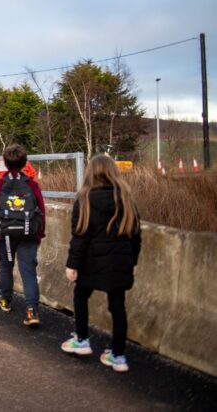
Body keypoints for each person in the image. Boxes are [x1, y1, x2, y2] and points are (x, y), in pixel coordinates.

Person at [61, 154, 141, 373]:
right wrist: (132, 261)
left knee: (81, 295)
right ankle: (118, 356)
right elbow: (135, 235)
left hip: (91, 262)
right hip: (119, 263)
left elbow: (80, 237)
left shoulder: (85, 200)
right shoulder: (126, 199)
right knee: (117, 307)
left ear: (90, 174)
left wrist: (72, 265)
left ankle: (82, 339)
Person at [0, 144, 46, 327]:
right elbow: (41, 210)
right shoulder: (31, 184)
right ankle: (32, 310)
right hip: (27, 233)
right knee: (28, 272)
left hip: (5, 235)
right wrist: (39, 234)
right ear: (25, 163)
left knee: (6, 266)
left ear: (4, 163)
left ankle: (6, 300)